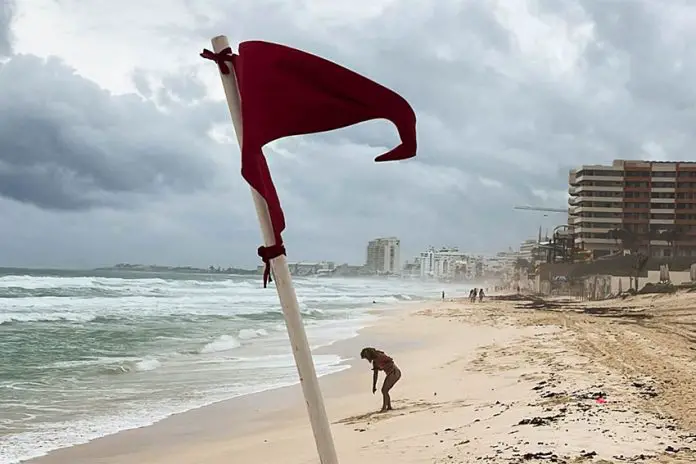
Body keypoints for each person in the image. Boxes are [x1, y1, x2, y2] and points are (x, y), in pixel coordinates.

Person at [360, 347, 401, 412]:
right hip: (391, 373)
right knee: (385, 390)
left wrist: (383, 368)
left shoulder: (379, 356)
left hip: (394, 372)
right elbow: (375, 374)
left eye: (366, 357)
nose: (367, 359)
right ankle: (389, 407)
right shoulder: (375, 362)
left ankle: (384, 408)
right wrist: (374, 386)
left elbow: (390, 361)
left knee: (384, 390)